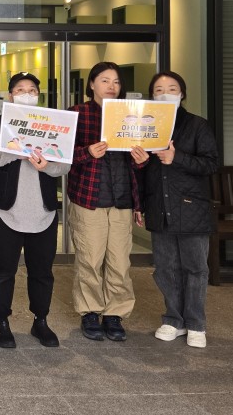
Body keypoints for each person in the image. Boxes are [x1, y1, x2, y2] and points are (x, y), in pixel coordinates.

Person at [0, 72, 70, 349]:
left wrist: (46, 166)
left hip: (43, 211)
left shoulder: (52, 125)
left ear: (38, 96)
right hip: (7, 210)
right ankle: (1, 322)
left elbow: (64, 165)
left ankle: (40, 320)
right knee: (2, 270)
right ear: (10, 96)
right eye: (20, 89)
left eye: (32, 90)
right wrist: (12, 152)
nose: (26, 94)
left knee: (42, 271)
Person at [136, 71, 219, 349]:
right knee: (166, 268)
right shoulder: (145, 125)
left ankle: (196, 324)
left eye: (171, 88)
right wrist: (141, 163)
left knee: (195, 268)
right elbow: (144, 173)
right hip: (159, 206)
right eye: (158, 90)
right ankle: (173, 319)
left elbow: (210, 164)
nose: (165, 94)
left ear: (182, 94)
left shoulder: (197, 125)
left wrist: (176, 157)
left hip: (191, 207)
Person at [67, 62, 149, 342]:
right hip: (89, 198)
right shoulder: (78, 114)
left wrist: (142, 161)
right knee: (90, 260)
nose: (111, 86)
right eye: (104, 80)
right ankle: (90, 312)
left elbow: (137, 166)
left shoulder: (133, 116)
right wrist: (87, 152)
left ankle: (115, 314)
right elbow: (62, 153)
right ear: (91, 84)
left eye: (115, 81)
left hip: (122, 199)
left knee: (119, 262)